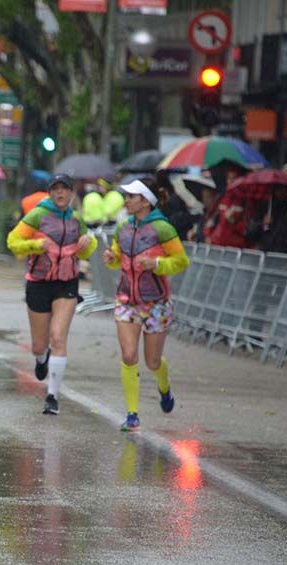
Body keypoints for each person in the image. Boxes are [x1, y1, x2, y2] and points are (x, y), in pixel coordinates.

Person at [103, 179, 190, 432]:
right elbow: (117, 259)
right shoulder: (123, 228)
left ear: (145, 200)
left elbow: (181, 261)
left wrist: (158, 264)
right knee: (129, 355)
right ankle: (132, 414)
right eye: (126, 196)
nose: (126, 200)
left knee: (152, 362)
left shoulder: (162, 228)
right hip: (126, 300)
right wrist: (112, 258)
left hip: (156, 303)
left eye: (131, 196)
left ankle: (164, 387)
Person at [7, 174, 97, 414]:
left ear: (71, 193)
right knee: (39, 344)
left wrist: (88, 244)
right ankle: (41, 357)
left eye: (64, 189)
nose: (60, 194)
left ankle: (52, 396)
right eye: (55, 189)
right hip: (39, 282)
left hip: (66, 283)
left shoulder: (77, 219)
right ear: (50, 193)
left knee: (58, 338)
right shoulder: (38, 215)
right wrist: (36, 246)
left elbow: (88, 252)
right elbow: (13, 241)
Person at [246, 186, 287, 256]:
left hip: (284, 257)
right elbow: (250, 234)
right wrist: (262, 224)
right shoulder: (264, 209)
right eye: (279, 189)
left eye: (285, 189)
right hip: (261, 255)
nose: (282, 192)